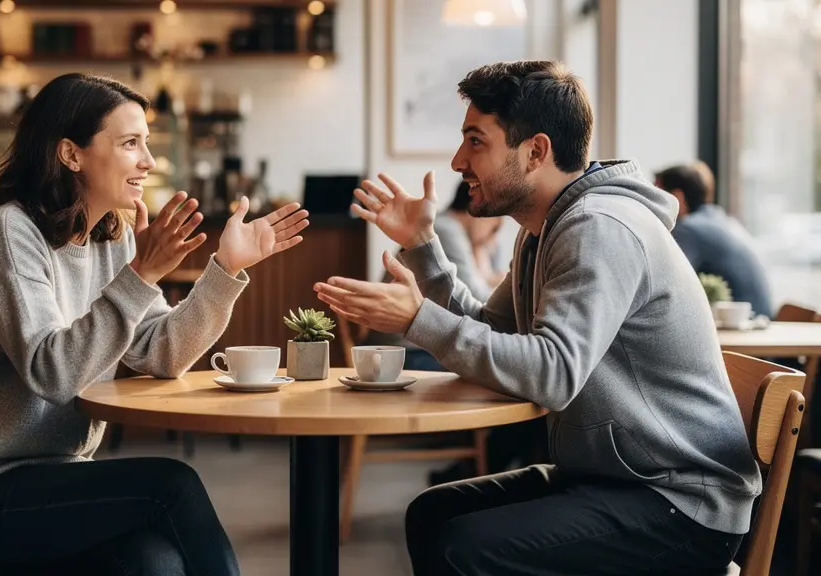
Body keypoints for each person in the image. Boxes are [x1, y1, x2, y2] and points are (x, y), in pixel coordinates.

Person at [315, 60, 758, 575]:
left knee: (462, 545)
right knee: (432, 514)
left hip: (679, 504)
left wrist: (418, 318)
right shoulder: (545, 229)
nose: (458, 160)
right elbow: (494, 331)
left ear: (535, 151)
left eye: (476, 141)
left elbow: (552, 373)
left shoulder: (599, 227)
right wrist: (422, 247)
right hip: (616, 478)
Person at [0, 73, 309, 575]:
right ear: (71, 154)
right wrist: (143, 274)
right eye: (130, 143)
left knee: (152, 562)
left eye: (147, 143)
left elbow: (162, 354)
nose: (149, 162)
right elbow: (53, 374)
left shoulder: (108, 238)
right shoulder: (5, 235)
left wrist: (225, 269)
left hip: (53, 480)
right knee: (170, 486)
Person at [363, 179, 504, 371]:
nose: (493, 237)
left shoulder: (447, 227)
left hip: (412, 346)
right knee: (490, 368)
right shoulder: (447, 230)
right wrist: (483, 259)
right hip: (404, 352)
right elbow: (482, 304)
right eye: (495, 228)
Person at [655, 162, 773, 318]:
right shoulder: (721, 219)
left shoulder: (689, 229)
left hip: (741, 324)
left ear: (677, 197)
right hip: (762, 318)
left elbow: (664, 282)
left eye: (656, 196)